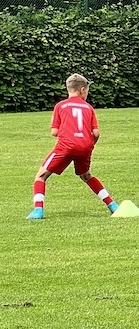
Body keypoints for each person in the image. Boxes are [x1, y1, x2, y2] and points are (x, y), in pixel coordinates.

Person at [27, 74, 118, 220]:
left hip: (66, 146)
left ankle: (38, 210)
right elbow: (96, 133)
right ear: (82, 90)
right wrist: (88, 144)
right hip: (85, 147)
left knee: (41, 176)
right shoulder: (88, 108)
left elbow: (54, 132)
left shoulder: (60, 106)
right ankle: (113, 205)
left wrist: (69, 134)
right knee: (86, 175)